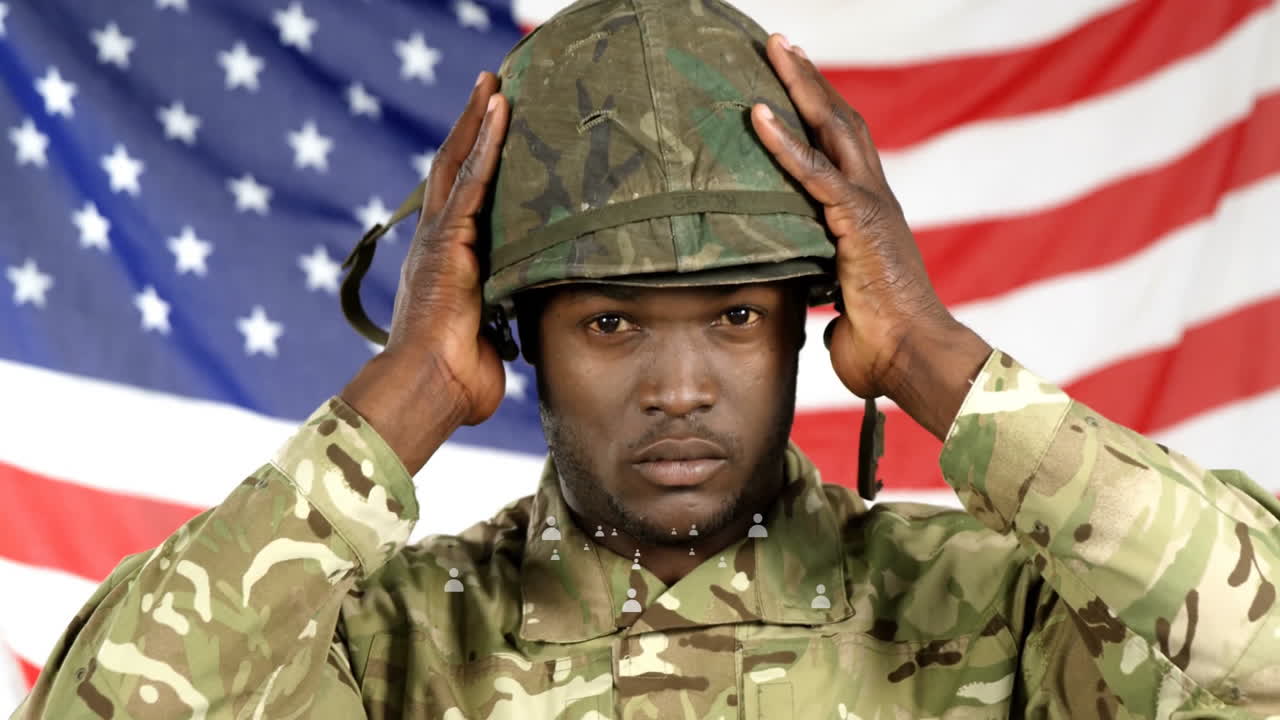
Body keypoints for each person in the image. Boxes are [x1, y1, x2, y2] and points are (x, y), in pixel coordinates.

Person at [13, 0, 1280, 717]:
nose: (678, 388)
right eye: (610, 323)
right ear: (516, 340)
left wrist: (942, 364)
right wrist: (402, 394)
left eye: (733, 316)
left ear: (809, 321)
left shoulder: (986, 615)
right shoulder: (386, 646)